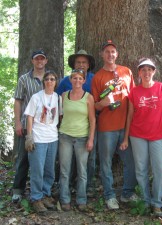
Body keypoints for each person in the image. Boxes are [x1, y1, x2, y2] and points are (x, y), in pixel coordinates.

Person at [120, 58, 162, 217]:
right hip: (137, 135)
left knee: (160, 169)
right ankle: (146, 200)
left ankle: (157, 203)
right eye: (143, 70)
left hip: (157, 136)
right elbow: (129, 116)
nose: (146, 73)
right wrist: (126, 138)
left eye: (150, 70)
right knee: (141, 169)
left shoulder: (161, 88)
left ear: (154, 71)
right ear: (139, 73)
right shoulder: (134, 91)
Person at [91, 40, 138, 210]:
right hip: (106, 128)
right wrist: (103, 103)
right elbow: (94, 105)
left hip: (125, 126)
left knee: (130, 161)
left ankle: (127, 193)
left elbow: (134, 97)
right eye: (107, 52)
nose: (110, 54)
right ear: (102, 55)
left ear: (116, 54)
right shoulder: (98, 77)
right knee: (106, 163)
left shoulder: (126, 72)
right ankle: (110, 195)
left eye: (113, 51)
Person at [56, 50, 97, 195]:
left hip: (86, 127)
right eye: (78, 62)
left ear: (88, 65)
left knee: (88, 161)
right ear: (73, 65)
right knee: (66, 164)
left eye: (84, 62)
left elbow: (96, 101)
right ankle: (65, 192)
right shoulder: (65, 82)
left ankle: (86, 189)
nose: (81, 64)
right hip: (67, 130)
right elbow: (58, 104)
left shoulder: (94, 79)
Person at [12, 49, 48, 203]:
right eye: (36, 59)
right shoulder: (24, 79)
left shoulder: (50, 78)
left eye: (42, 59)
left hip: (46, 128)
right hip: (28, 126)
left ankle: (43, 191)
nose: (39, 61)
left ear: (45, 61)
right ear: (32, 61)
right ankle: (18, 190)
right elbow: (18, 101)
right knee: (23, 157)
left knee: (43, 161)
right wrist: (18, 122)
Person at [24, 71, 61, 213]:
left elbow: (59, 116)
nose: (50, 81)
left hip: (53, 138)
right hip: (38, 138)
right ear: (43, 82)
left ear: (55, 82)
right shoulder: (36, 97)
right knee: (37, 170)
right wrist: (29, 137)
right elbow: (29, 117)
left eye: (52, 79)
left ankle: (46, 194)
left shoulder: (58, 97)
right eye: (47, 79)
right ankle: (36, 198)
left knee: (49, 170)